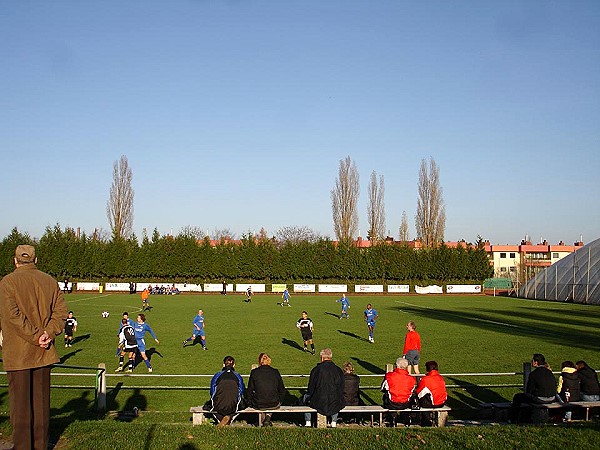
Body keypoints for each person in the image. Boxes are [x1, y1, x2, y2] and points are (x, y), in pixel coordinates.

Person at [0, 244, 68, 450]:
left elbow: (12, 317)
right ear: (36, 260)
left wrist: (36, 336)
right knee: (41, 405)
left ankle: (22, 446)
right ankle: (41, 445)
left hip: (19, 353)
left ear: (15, 261)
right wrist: (47, 333)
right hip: (44, 351)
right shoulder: (50, 281)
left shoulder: (8, 282)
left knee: (20, 407)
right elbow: (61, 313)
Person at [303, 348, 345, 428]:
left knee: (305, 398)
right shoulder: (338, 370)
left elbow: (311, 387)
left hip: (319, 401)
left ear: (322, 357)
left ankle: (308, 422)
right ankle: (333, 422)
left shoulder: (316, 370)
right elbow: (341, 387)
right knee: (336, 398)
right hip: (334, 401)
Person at [509, 353, 557, 423]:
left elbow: (529, 389)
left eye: (532, 360)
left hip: (540, 399)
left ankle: (513, 418)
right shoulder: (549, 372)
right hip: (552, 398)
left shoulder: (534, 374)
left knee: (517, 397)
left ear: (535, 362)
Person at [246, 353, 287, 427]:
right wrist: (280, 400)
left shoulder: (254, 372)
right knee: (269, 398)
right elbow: (282, 390)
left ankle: (263, 419)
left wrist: (249, 401)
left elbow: (250, 390)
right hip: (274, 403)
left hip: (259, 403)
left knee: (262, 400)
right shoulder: (275, 372)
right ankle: (267, 418)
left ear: (259, 361)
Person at [208, 355, 245, 427]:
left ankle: (222, 420)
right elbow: (241, 391)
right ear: (234, 365)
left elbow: (212, 391)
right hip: (233, 405)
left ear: (223, 364)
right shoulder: (237, 376)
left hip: (219, 405)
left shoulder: (217, 375)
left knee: (211, 407)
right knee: (240, 406)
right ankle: (228, 418)